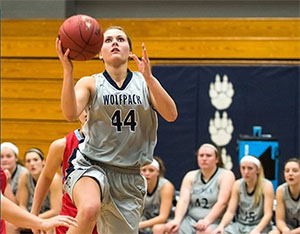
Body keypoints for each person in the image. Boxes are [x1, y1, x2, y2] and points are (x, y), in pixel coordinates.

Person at [56, 25, 178, 234]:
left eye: (120, 39)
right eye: (108, 39)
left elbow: (171, 114)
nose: (114, 42)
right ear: (99, 53)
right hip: (91, 165)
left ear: (130, 51)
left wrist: (149, 78)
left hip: (129, 175)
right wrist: (68, 71)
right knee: (89, 209)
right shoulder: (90, 83)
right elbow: (69, 113)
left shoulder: (144, 83)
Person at [31, 112, 98, 234]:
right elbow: (46, 177)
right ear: (77, 111)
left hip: (106, 221)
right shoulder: (61, 145)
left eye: (92, 106)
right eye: (84, 108)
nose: (88, 112)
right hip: (71, 220)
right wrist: (34, 215)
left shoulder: (115, 145)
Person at [155, 143, 235, 234]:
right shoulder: (190, 175)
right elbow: (183, 201)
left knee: (204, 232)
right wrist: (177, 220)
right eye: (201, 155)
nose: (204, 158)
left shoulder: (226, 175)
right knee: (168, 229)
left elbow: (222, 202)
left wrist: (207, 221)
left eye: (208, 156)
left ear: (217, 159)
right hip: (190, 220)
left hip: (215, 221)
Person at [1, 168, 78, 234]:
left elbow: (55, 211)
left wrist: (37, 221)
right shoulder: (25, 176)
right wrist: (38, 222)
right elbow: (20, 204)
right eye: (28, 161)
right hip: (34, 217)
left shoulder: (55, 179)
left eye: (35, 160)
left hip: (46, 215)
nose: (32, 164)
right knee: (10, 225)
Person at [212, 155, 274, 234]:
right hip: (240, 225)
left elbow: (268, 214)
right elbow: (230, 212)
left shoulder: (266, 185)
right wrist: (221, 226)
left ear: (258, 170)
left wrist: (257, 230)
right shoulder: (237, 184)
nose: (246, 172)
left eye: (250, 168)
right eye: (243, 168)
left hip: (259, 226)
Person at [139, 156, 175, 234]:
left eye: (151, 170)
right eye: (144, 170)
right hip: (145, 220)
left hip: (167, 221)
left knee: (158, 229)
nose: (147, 173)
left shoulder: (166, 186)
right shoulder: (137, 186)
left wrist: (139, 225)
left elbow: (163, 217)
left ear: (157, 172)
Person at [269, 158, 300, 234]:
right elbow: (279, 220)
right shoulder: (281, 190)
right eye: (287, 171)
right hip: (290, 228)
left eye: (295, 171)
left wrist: (291, 233)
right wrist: (285, 229)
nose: (290, 174)